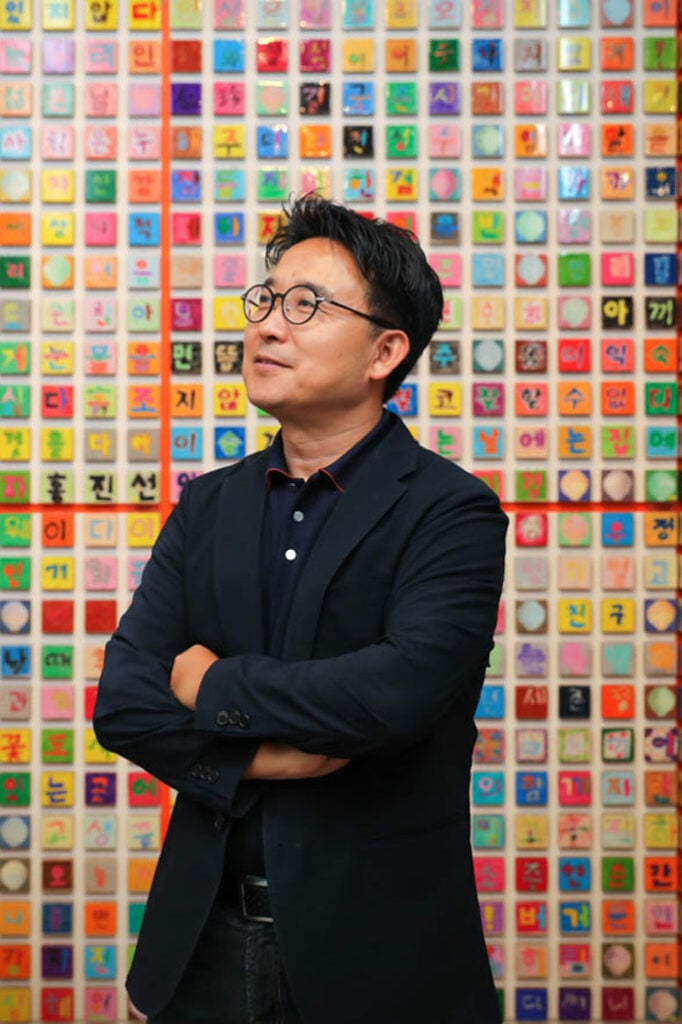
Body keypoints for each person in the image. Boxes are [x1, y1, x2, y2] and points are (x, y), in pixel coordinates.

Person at [94, 194, 508, 1024]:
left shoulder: (451, 512)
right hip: (198, 951)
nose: (268, 326)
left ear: (385, 352)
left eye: (306, 305)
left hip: (384, 963)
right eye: (267, 299)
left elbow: (395, 694)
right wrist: (267, 758)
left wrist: (213, 688)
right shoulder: (207, 505)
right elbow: (125, 702)